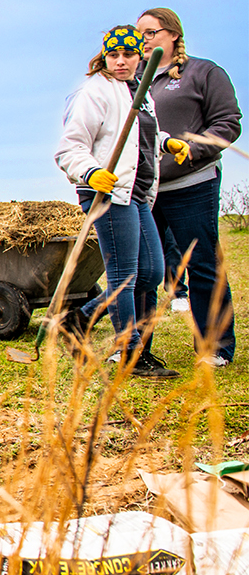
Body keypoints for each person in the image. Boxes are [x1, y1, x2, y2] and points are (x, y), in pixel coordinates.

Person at [55, 25, 183, 378]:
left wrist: (165, 142)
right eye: (114, 55)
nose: (121, 61)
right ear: (105, 56)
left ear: (140, 55)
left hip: (137, 192)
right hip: (107, 192)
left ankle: (82, 318)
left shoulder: (138, 91)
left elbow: (133, 136)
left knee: (153, 271)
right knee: (124, 275)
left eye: (128, 54)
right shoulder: (93, 92)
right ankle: (131, 353)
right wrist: (90, 172)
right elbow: (71, 149)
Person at [137, 7, 239, 367]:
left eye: (149, 33)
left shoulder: (203, 72)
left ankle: (215, 348)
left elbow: (228, 122)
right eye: (139, 35)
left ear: (173, 34)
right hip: (144, 191)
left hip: (191, 184)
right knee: (143, 268)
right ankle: (135, 349)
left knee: (202, 264)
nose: (143, 41)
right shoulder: (134, 79)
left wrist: (194, 150)